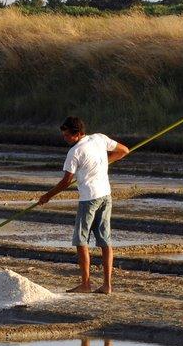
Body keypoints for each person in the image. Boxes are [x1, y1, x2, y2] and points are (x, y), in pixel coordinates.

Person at [38, 116, 129, 294]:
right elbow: (124, 150)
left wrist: (47, 196)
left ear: (78, 134)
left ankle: (86, 284)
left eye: (67, 136)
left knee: (81, 240)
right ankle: (107, 285)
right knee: (105, 240)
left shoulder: (75, 152)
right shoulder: (99, 138)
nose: (65, 139)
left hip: (89, 199)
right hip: (105, 195)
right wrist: (100, 164)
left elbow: (65, 182)